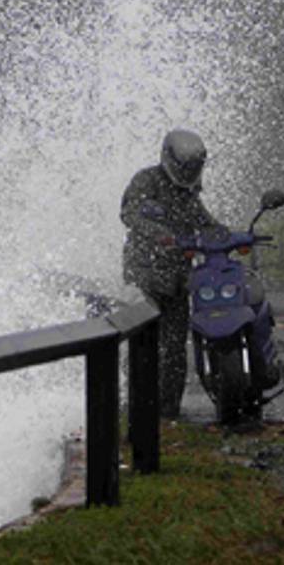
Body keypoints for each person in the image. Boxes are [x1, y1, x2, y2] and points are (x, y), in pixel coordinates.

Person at [120, 129, 223, 418]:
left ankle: (168, 412)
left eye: (193, 168)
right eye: (184, 167)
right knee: (144, 343)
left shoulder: (189, 192)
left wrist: (227, 234)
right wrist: (160, 234)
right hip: (144, 274)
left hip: (178, 279)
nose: (188, 173)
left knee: (176, 348)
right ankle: (138, 407)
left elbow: (203, 219)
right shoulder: (146, 180)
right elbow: (130, 214)